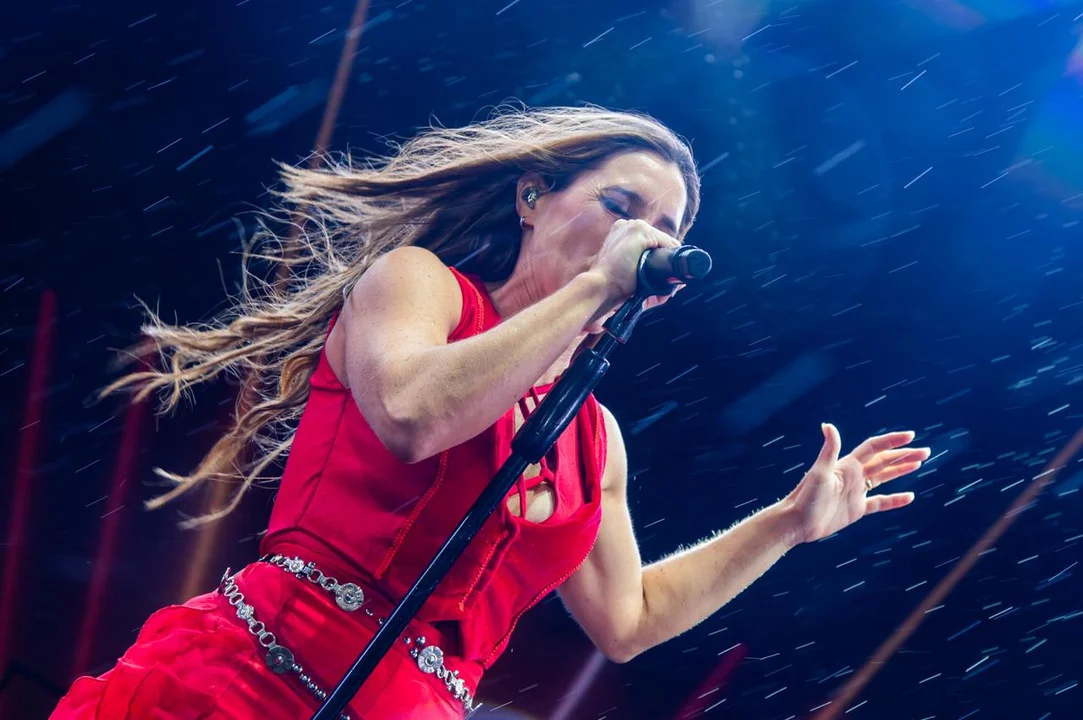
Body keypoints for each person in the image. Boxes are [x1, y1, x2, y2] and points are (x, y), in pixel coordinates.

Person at [50, 105, 930, 720]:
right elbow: (413, 415)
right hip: (243, 685)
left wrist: (784, 525)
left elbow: (628, 620)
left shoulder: (593, 436)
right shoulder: (421, 286)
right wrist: (592, 287)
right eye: (620, 208)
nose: (642, 239)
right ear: (531, 198)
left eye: (663, 232)